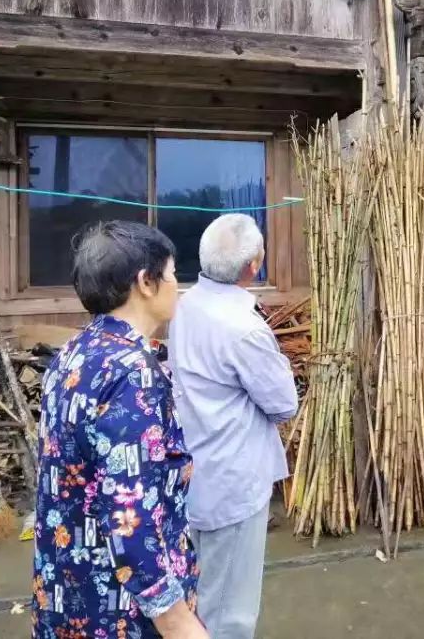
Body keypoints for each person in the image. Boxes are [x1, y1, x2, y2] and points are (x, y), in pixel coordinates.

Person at [32, 221, 206, 639]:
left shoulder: (74, 353)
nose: (176, 286)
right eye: (170, 274)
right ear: (145, 282)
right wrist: (177, 620)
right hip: (120, 612)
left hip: (66, 590)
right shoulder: (132, 373)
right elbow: (131, 514)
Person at [168, 214, 298, 639]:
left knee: (199, 594)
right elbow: (283, 405)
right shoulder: (245, 330)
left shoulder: (184, 306)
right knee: (228, 614)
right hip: (233, 484)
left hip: (192, 474)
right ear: (253, 266)